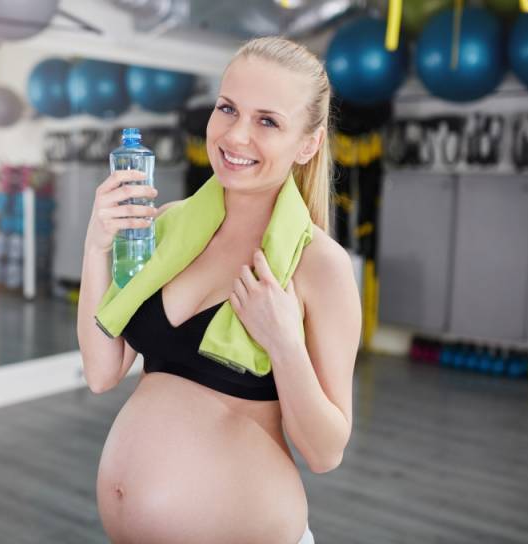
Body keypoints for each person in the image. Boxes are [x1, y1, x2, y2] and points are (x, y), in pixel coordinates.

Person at [76, 36, 361, 544]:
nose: (236, 135)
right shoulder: (165, 227)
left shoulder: (320, 266)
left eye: (267, 121)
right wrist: (96, 246)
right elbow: (102, 372)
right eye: (227, 108)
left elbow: (325, 452)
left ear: (308, 143)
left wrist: (283, 343)